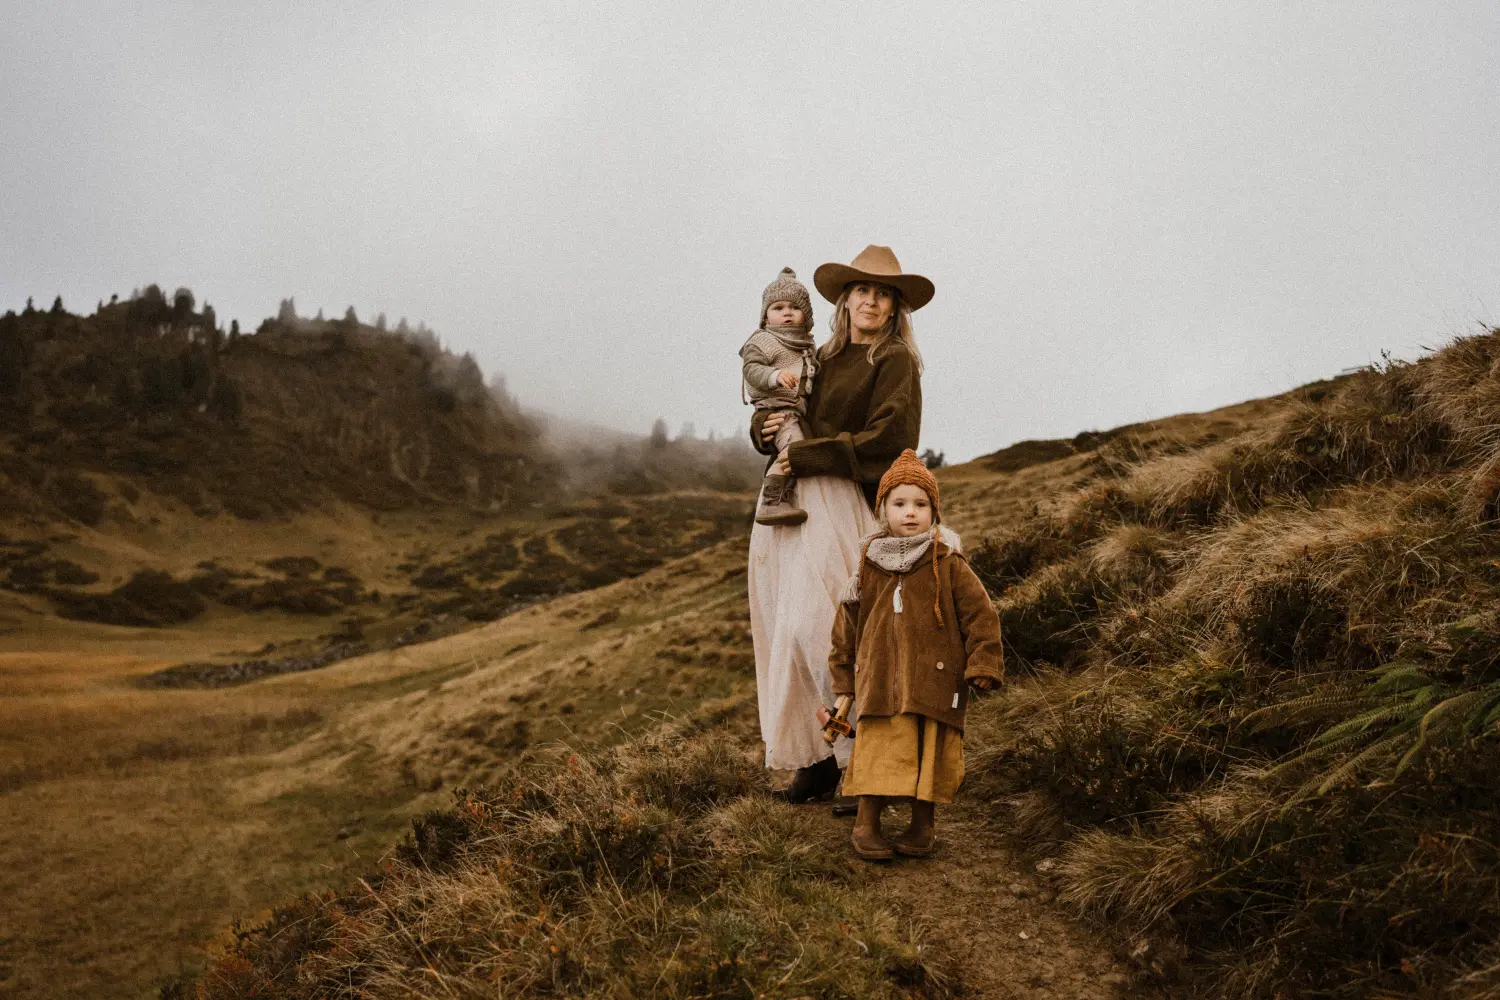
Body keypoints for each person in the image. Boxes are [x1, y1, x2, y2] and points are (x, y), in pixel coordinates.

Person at [747, 245, 933, 803]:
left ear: (894, 306)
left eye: (882, 293)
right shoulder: (821, 358)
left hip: (842, 503)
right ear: (844, 300)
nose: (871, 301)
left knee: (822, 628)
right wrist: (763, 433)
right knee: (784, 627)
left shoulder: (892, 360)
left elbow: (892, 440)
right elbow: (781, 417)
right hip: (790, 502)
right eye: (862, 290)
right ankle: (820, 757)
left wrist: (809, 457)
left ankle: (863, 760)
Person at [828, 449, 1005, 861]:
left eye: (921, 505)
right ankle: (866, 824)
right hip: (879, 679)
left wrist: (983, 661)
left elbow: (981, 615)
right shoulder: (867, 565)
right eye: (900, 503)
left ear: (934, 511)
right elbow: (847, 627)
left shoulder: (949, 562)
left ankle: (922, 824)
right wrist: (844, 680)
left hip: (935, 678)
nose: (911, 513)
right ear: (883, 510)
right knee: (876, 751)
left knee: (929, 751)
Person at [740, 267, 818, 526]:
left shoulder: (807, 345)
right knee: (793, 450)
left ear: (806, 317)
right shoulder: (763, 340)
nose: (787, 312)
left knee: (799, 450)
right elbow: (751, 369)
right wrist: (775, 375)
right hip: (777, 408)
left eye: (794, 308)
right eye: (778, 308)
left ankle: (786, 495)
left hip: (798, 411)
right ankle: (772, 500)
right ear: (765, 317)